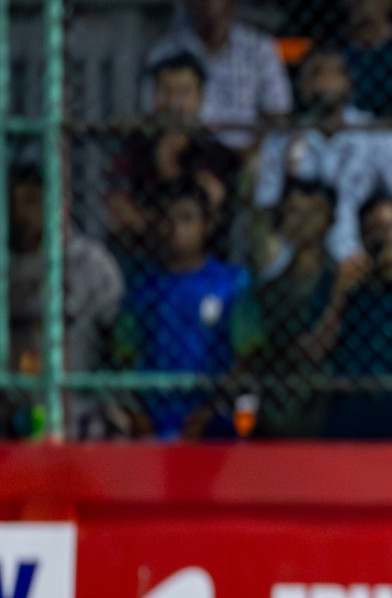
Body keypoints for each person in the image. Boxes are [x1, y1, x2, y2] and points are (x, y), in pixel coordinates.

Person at [253, 47, 392, 264]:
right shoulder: (281, 140)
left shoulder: (376, 134)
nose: (324, 81)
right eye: (315, 73)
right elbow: (264, 207)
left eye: (333, 73)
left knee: (386, 215)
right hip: (299, 261)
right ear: (301, 85)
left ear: (349, 82)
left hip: (363, 260)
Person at [119, 180, 261, 438]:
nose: (176, 229)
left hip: (215, 424)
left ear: (206, 224)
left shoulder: (232, 283)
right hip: (149, 424)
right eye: (167, 218)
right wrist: (137, 415)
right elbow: (123, 357)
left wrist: (209, 413)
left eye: (187, 218)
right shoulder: (142, 287)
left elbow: (247, 362)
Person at [303, 193, 392, 438]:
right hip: (348, 400)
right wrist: (339, 296)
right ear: (364, 237)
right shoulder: (343, 281)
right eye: (378, 230)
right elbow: (313, 353)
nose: (389, 238)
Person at [7, 165, 125, 438]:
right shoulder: (9, 266)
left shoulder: (89, 261)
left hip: (80, 401)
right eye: (17, 204)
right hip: (19, 406)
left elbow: (115, 330)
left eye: (33, 202)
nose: (25, 214)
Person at [109, 53, 241, 263]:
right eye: (164, 91)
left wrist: (168, 164)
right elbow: (117, 211)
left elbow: (211, 204)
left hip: (203, 261)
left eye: (183, 93)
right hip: (140, 258)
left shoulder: (214, 153)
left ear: (200, 98)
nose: (173, 103)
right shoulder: (135, 146)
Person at [142, 0, 292, 150]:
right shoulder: (165, 52)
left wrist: (250, 155)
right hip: (186, 157)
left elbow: (278, 112)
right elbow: (150, 112)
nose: (210, 2)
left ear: (232, 0)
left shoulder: (259, 48)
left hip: (246, 156)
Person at [250, 179, 339, 436]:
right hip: (276, 403)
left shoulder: (341, 286)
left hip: (329, 409)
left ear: (330, 219)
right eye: (293, 212)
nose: (302, 221)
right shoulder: (266, 292)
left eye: (312, 213)